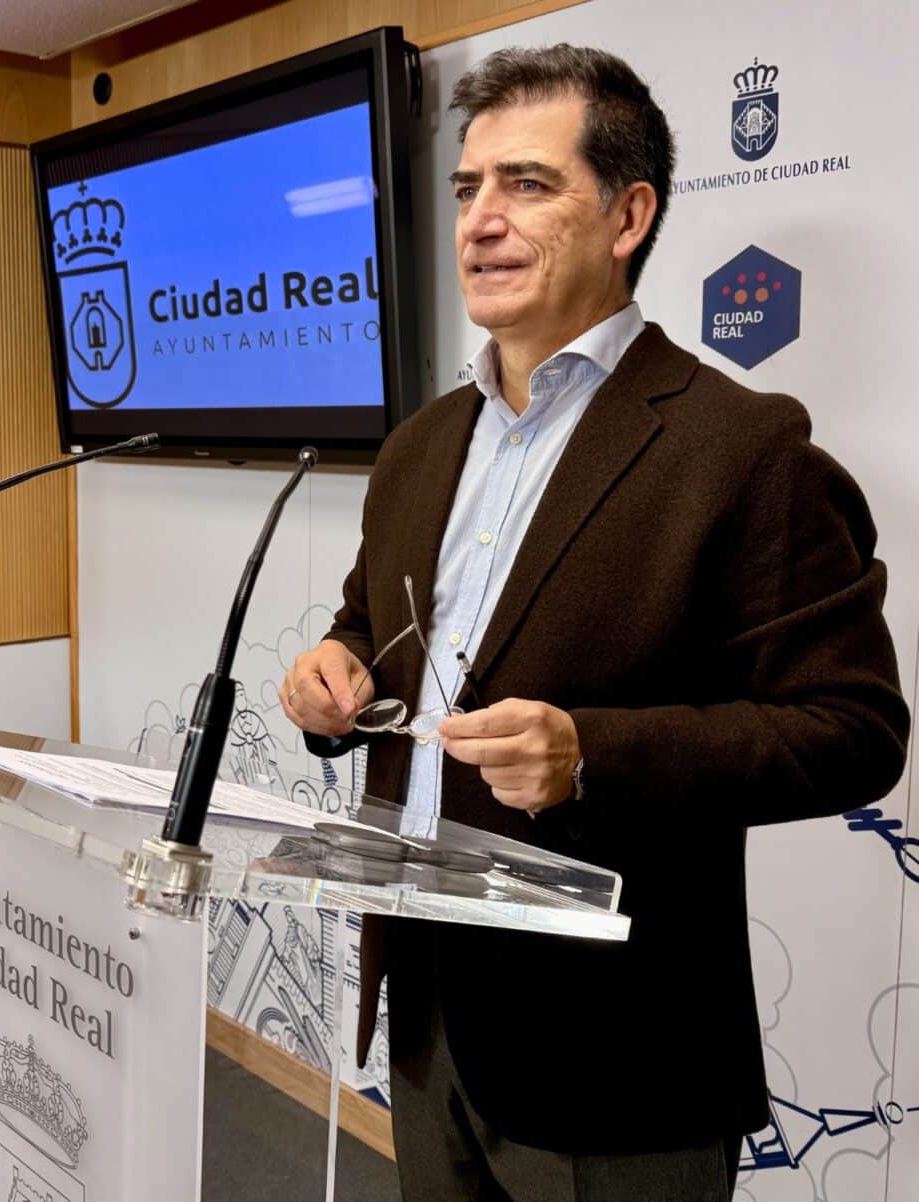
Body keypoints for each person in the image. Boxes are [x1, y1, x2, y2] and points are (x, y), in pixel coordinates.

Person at [279, 44, 909, 1202]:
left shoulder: (742, 448)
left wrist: (593, 755)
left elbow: (854, 729)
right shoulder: (418, 445)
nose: (481, 219)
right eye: (468, 187)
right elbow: (369, 629)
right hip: (424, 1010)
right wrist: (334, 672)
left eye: (527, 184)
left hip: (617, 1051)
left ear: (628, 215)